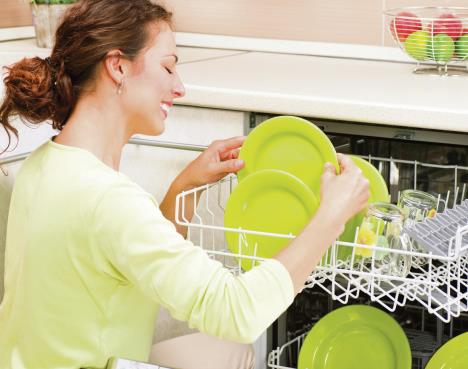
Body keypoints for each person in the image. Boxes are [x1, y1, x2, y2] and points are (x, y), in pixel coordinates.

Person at [0, 1, 370, 368]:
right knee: (233, 341)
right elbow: (237, 312)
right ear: (117, 66)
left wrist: (184, 186)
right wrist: (330, 218)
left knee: (227, 353)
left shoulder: (45, 165)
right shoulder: (109, 200)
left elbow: (121, 254)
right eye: (168, 67)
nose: (179, 88)